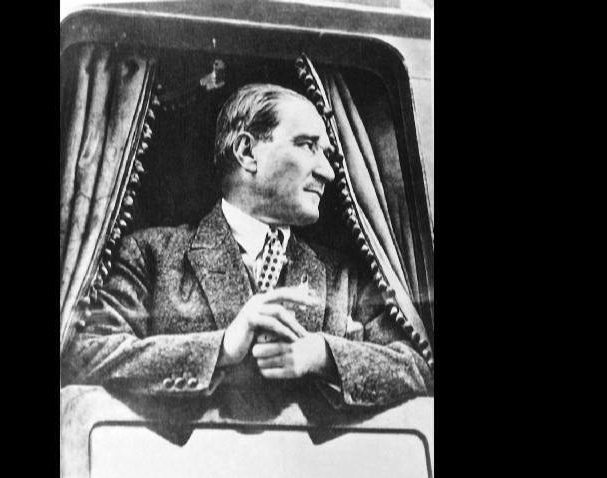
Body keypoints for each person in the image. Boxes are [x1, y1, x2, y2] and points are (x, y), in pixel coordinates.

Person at [62, 83, 431, 420]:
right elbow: (82, 353)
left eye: (326, 153)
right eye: (308, 145)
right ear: (247, 151)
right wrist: (221, 348)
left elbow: (418, 367)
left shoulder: (346, 277)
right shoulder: (149, 255)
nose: (328, 172)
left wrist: (322, 354)